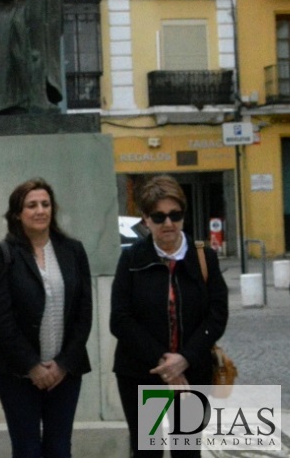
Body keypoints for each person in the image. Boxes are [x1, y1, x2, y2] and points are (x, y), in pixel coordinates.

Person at [110, 175, 228, 457]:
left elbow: (217, 313)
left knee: (186, 450)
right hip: (143, 372)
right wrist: (164, 362)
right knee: (147, 450)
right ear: (145, 219)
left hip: (193, 371)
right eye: (159, 216)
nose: (168, 223)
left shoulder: (204, 257)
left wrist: (185, 358)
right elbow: (120, 319)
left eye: (175, 215)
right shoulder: (132, 259)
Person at [0, 178, 92, 458]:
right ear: (18, 213)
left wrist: (63, 364)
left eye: (45, 204)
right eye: (31, 205)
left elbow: (84, 313)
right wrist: (32, 366)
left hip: (65, 373)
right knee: (27, 450)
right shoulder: (2, 254)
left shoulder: (73, 250)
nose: (40, 210)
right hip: (18, 373)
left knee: (59, 448)